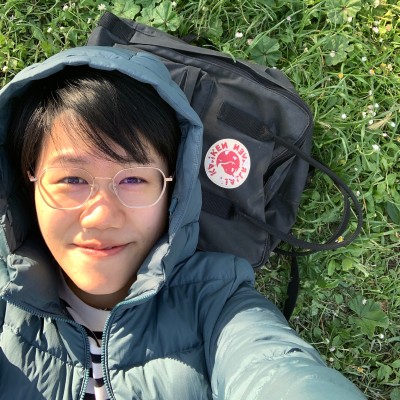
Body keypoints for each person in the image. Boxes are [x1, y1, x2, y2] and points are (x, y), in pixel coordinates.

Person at [0, 46, 365, 400]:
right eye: (71, 179)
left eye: (134, 179)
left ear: (173, 190)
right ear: (28, 183)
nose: (101, 216)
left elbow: (275, 372)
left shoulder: (219, 304)